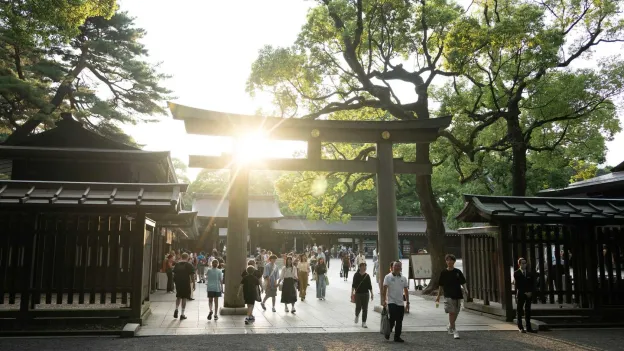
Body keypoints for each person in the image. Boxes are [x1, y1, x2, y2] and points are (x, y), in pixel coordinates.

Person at [435, 254, 468, 340]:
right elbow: (441, 285)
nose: (449, 262)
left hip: (457, 294)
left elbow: (463, 282)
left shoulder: (457, 272)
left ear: (454, 261)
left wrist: (466, 289)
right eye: (447, 260)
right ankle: (454, 330)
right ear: (446, 261)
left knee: (456, 312)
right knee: (451, 312)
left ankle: (450, 325)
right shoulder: (443, 272)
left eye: (451, 260)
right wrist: (438, 296)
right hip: (448, 294)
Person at [382, 261, 409, 343]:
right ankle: (388, 331)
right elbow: (385, 289)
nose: (397, 267)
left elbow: (406, 290)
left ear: (401, 268)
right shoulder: (388, 277)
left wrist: (407, 302)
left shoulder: (403, 278)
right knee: (393, 318)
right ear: (392, 267)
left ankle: (397, 336)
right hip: (391, 301)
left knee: (400, 320)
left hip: (400, 302)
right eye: (395, 266)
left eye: (399, 266)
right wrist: (384, 300)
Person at [514, 257, 536, 333]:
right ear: (519, 264)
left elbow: (532, 284)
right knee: (519, 310)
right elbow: (518, 285)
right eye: (522, 263)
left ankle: (528, 327)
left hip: (529, 294)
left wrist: (530, 292)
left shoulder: (529, 273)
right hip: (521, 293)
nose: (524, 265)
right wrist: (525, 292)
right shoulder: (516, 273)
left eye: (525, 263)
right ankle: (520, 327)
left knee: (528, 310)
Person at [172, 253, 195, 320]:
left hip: (178, 283)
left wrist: (174, 282)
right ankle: (182, 314)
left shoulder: (177, 264)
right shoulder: (189, 265)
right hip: (186, 282)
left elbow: (174, 274)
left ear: (181, 257)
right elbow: (192, 275)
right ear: (187, 257)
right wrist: (193, 284)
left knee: (178, 296)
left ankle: (176, 309)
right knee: (184, 298)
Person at [352, 262, 373, 328]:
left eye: (365, 266)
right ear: (360, 267)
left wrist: (372, 293)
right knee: (358, 307)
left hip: (366, 293)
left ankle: (364, 322)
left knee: (365, 308)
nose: (364, 268)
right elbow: (353, 285)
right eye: (363, 266)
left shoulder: (367, 276)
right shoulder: (356, 275)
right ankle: (357, 315)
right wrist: (352, 293)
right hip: (358, 293)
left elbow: (370, 286)